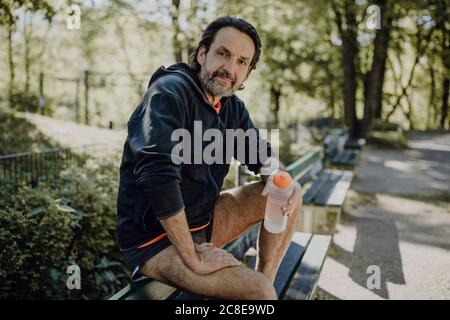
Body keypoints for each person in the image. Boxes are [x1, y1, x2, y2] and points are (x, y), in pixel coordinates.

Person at [116, 16, 302, 300]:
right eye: (223, 54)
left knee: (289, 189)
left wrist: (276, 176)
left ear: (247, 73)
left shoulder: (231, 109)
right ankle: (261, 293)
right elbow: (158, 176)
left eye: (242, 62)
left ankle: (264, 283)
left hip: (203, 223)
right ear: (202, 54)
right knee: (259, 293)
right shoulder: (170, 92)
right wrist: (192, 257)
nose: (230, 68)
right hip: (155, 240)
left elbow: (262, 156)